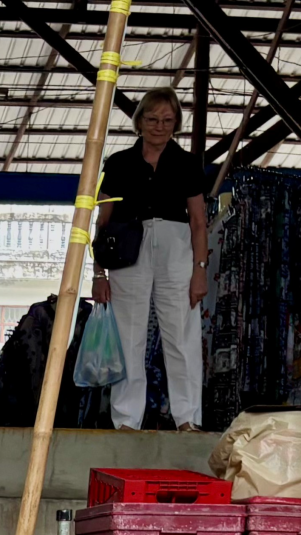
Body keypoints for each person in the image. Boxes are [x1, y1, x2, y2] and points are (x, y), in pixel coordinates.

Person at [91, 87, 208, 431]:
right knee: (127, 335)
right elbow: (102, 220)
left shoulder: (187, 163)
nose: (159, 126)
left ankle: (188, 419)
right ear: (139, 120)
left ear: (176, 124)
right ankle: (126, 420)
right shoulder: (118, 163)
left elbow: (199, 222)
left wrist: (199, 271)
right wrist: (99, 274)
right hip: (129, 249)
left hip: (177, 249)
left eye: (167, 120)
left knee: (182, 337)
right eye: (153, 118)